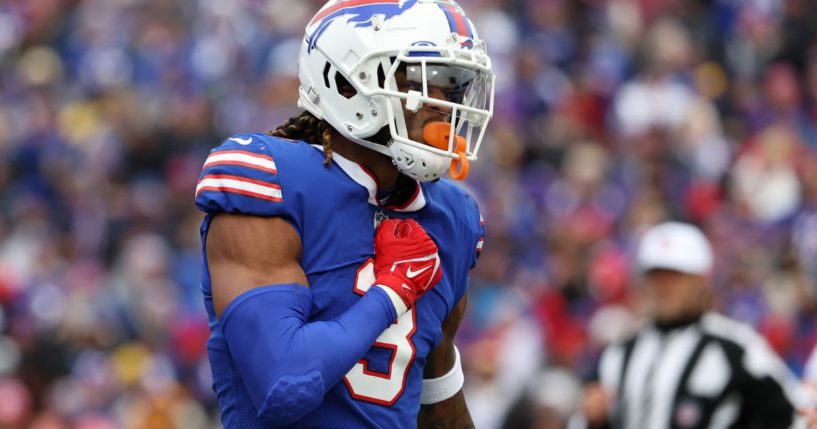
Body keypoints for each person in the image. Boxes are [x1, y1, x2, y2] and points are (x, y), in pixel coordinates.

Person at [194, 0, 493, 427]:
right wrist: (391, 293)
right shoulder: (272, 181)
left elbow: (437, 396)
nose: (443, 105)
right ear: (347, 81)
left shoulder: (453, 218)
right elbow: (285, 384)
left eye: (453, 86)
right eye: (422, 81)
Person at [577, 222, 809, 429]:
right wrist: (595, 421)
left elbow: (794, 414)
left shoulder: (734, 346)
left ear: (701, 280)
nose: (664, 286)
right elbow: (583, 419)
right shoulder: (620, 352)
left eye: (675, 275)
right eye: (655, 275)